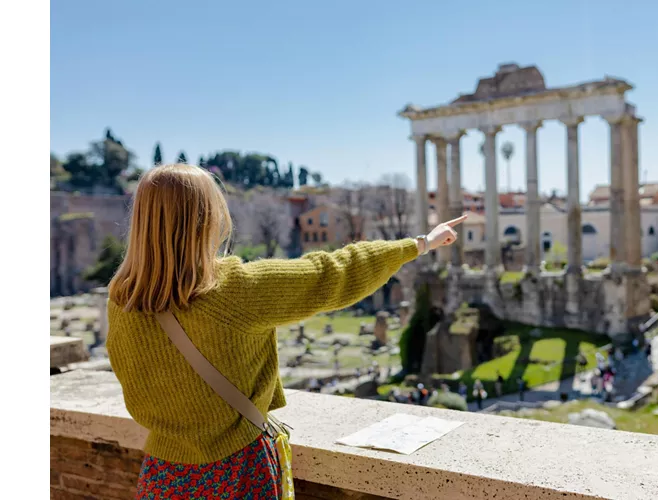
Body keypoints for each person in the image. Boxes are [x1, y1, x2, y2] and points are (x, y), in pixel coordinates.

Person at [106, 164, 467, 499]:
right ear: (208, 221)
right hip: (237, 472)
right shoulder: (234, 292)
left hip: (163, 475)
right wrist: (421, 243)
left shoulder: (121, 301)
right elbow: (333, 273)